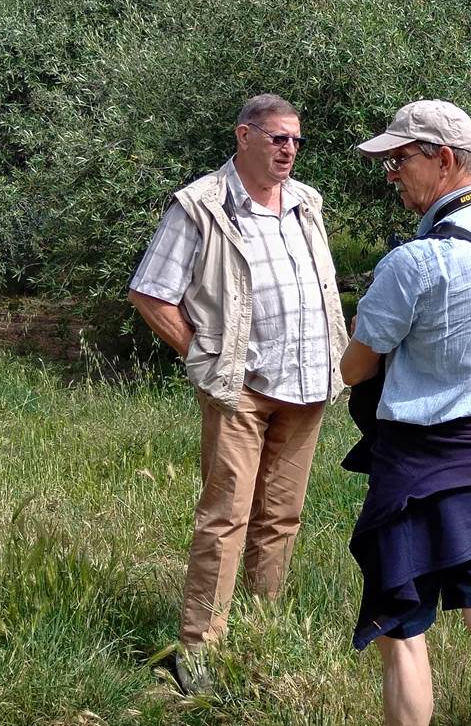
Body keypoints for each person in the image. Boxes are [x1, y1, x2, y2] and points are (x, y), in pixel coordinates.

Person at [128, 93, 348, 694]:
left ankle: (259, 632)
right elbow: (151, 295)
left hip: (306, 385)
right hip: (240, 392)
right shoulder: (199, 205)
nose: (289, 150)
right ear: (244, 137)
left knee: (281, 517)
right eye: (278, 138)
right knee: (226, 516)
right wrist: (206, 357)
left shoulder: (308, 203)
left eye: (297, 140)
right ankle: (199, 652)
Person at [341, 99, 471, 726]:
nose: (393, 172)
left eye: (401, 158)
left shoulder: (412, 263)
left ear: (446, 159)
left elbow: (354, 368)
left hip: (415, 460)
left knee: (402, 620)